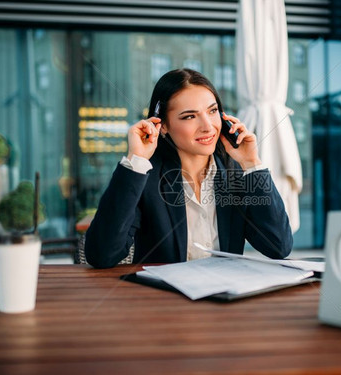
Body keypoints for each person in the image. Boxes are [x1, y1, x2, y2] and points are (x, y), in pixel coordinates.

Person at [85, 68, 293, 268]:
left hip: (224, 297)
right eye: (189, 116)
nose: (208, 126)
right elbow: (102, 255)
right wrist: (136, 159)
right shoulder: (143, 176)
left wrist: (252, 163)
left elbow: (279, 246)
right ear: (162, 125)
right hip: (164, 299)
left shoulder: (235, 175)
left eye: (212, 111)